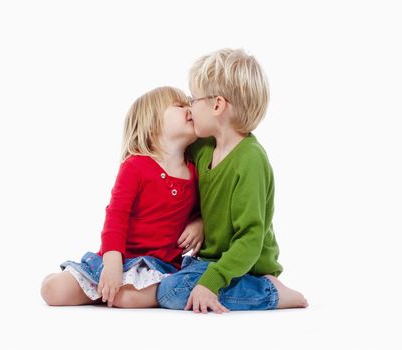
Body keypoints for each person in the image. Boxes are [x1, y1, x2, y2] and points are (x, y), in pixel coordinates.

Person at [156, 49, 309, 313]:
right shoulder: (203, 148)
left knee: (172, 292)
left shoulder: (250, 160)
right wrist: (199, 220)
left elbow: (251, 238)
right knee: (167, 278)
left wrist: (211, 283)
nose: (189, 108)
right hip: (210, 259)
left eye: (193, 100)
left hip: (246, 266)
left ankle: (271, 292)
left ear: (217, 105)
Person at [41, 86, 203, 308]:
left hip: (158, 267)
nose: (190, 108)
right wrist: (112, 262)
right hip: (118, 257)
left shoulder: (195, 171)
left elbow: (203, 210)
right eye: (180, 105)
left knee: (127, 298)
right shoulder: (135, 166)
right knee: (53, 291)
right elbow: (116, 216)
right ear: (153, 123)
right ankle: (103, 287)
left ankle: (113, 293)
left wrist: (199, 223)